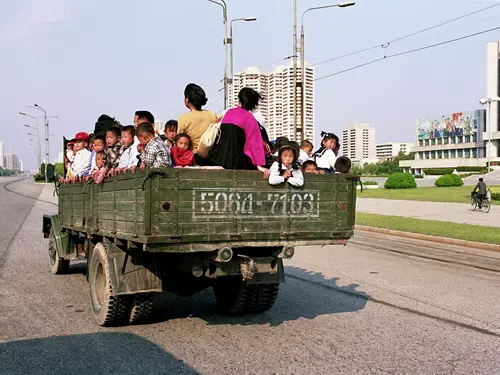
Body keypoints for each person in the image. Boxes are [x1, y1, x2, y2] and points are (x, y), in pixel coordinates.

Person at [208, 87, 269, 177]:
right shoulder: (251, 119)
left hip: (217, 158)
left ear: (239, 100)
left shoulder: (228, 112)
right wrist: (259, 165)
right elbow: (254, 145)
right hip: (237, 163)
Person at [177, 83, 217, 155]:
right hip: (212, 155)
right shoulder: (212, 115)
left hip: (192, 157)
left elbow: (178, 141)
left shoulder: (183, 119)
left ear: (187, 100)